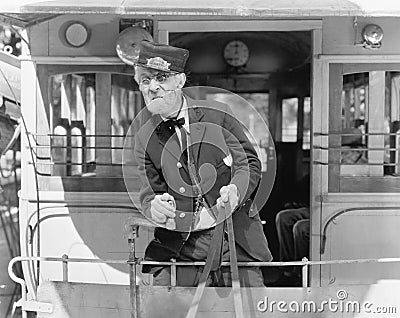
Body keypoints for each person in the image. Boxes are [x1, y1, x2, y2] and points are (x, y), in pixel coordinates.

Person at [123, 40, 272, 287]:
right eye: (145, 81)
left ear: (180, 81)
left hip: (235, 241)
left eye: (161, 78)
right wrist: (156, 207)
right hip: (181, 249)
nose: (153, 87)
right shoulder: (143, 137)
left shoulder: (218, 113)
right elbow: (149, 196)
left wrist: (235, 190)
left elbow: (249, 164)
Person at [271, 127, 366, 287]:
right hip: (324, 209)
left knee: (302, 228)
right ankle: (289, 271)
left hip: (342, 214)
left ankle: (304, 276)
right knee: (284, 218)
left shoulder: (363, 168)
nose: (340, 154)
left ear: (356, 150)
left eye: (343, 150)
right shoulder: (338, 163)